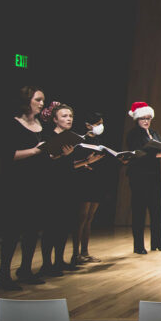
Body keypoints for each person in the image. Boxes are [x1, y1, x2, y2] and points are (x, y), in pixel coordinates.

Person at [0, 86, 48, 290]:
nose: (42, 103)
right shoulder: (12, 124)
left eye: (43, 100)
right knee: (12, 230)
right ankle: (3, 273)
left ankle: (25, 269)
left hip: (38, 184)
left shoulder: (41, 125)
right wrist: (35, 151)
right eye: (38, 99)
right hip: (17, 185)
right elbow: (8, 156)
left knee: (32, 230)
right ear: (26, 100)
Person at [126, 101, 161, 254]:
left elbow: (158, 150)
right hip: (139, 176)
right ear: (137, 119)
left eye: (148, 118)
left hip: (154, 175)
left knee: (156, 210)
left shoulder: (154, 133)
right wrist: (157, 155)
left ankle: (158, 243)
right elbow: (137, 154)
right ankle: (138, 246)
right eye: (143, 118)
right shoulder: (133, 134)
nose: (146, 121)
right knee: (139, 211)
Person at [39, 103, 79, 276]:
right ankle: (47, 264)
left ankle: (59, 260)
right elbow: (44, 162)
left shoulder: (72, 138)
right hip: (51, 187)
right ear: (55, 119)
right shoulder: (48, 136)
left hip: (68, 186)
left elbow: (71, 165)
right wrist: (62, 155)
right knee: (50, 226)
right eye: (64, 116)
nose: (68, 118)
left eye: (70, 116)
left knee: (64, 225)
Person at [72, 111, 108, 263]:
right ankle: (75, 254)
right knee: (81, 217)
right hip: (83, 180)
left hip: (96, 179)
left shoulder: (99, 140)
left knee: (89, 218)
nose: (101, 126)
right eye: (98, 123)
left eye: (101, 123)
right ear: (88, 125)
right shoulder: (80, 140)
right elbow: (74, 161)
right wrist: (87, 162)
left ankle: (85, 252)